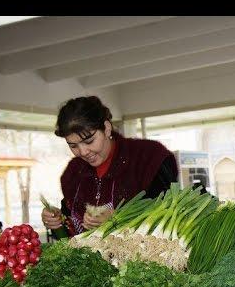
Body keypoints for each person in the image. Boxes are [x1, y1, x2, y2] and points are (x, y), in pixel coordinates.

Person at [41, 96, 179, 237]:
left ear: (107, 128)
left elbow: (170, 213)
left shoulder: (148, 157)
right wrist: (56, 221)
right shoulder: (74, 172)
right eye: (73, 145)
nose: (83, 152)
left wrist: (118, 218)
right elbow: (70, 229)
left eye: (89, 141)